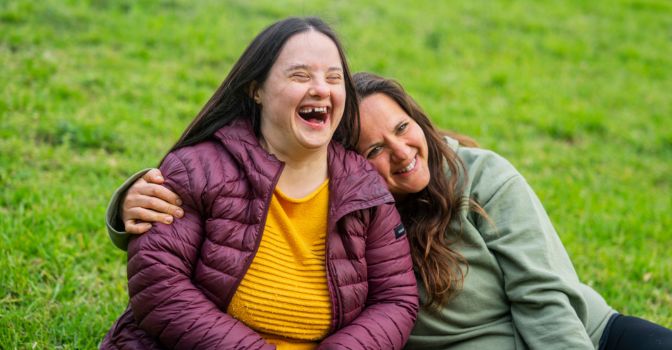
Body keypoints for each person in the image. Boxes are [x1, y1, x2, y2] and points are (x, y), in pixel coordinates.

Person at [107, 72, 672, 349]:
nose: (401, 152)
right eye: (374, 149)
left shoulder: (483, 175)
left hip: (584, 337)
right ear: (347, 165)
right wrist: (131, 201)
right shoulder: (346, 218)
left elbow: (543, 297)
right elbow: (237, 203)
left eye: (403, 128)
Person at [100, 18, 419, 349]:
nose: (321, 88)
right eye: (300, 75)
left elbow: (395, 300)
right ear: (256, 90)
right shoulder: (197, 169)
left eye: (333, 78)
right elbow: (159, 288)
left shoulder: (364, 187)